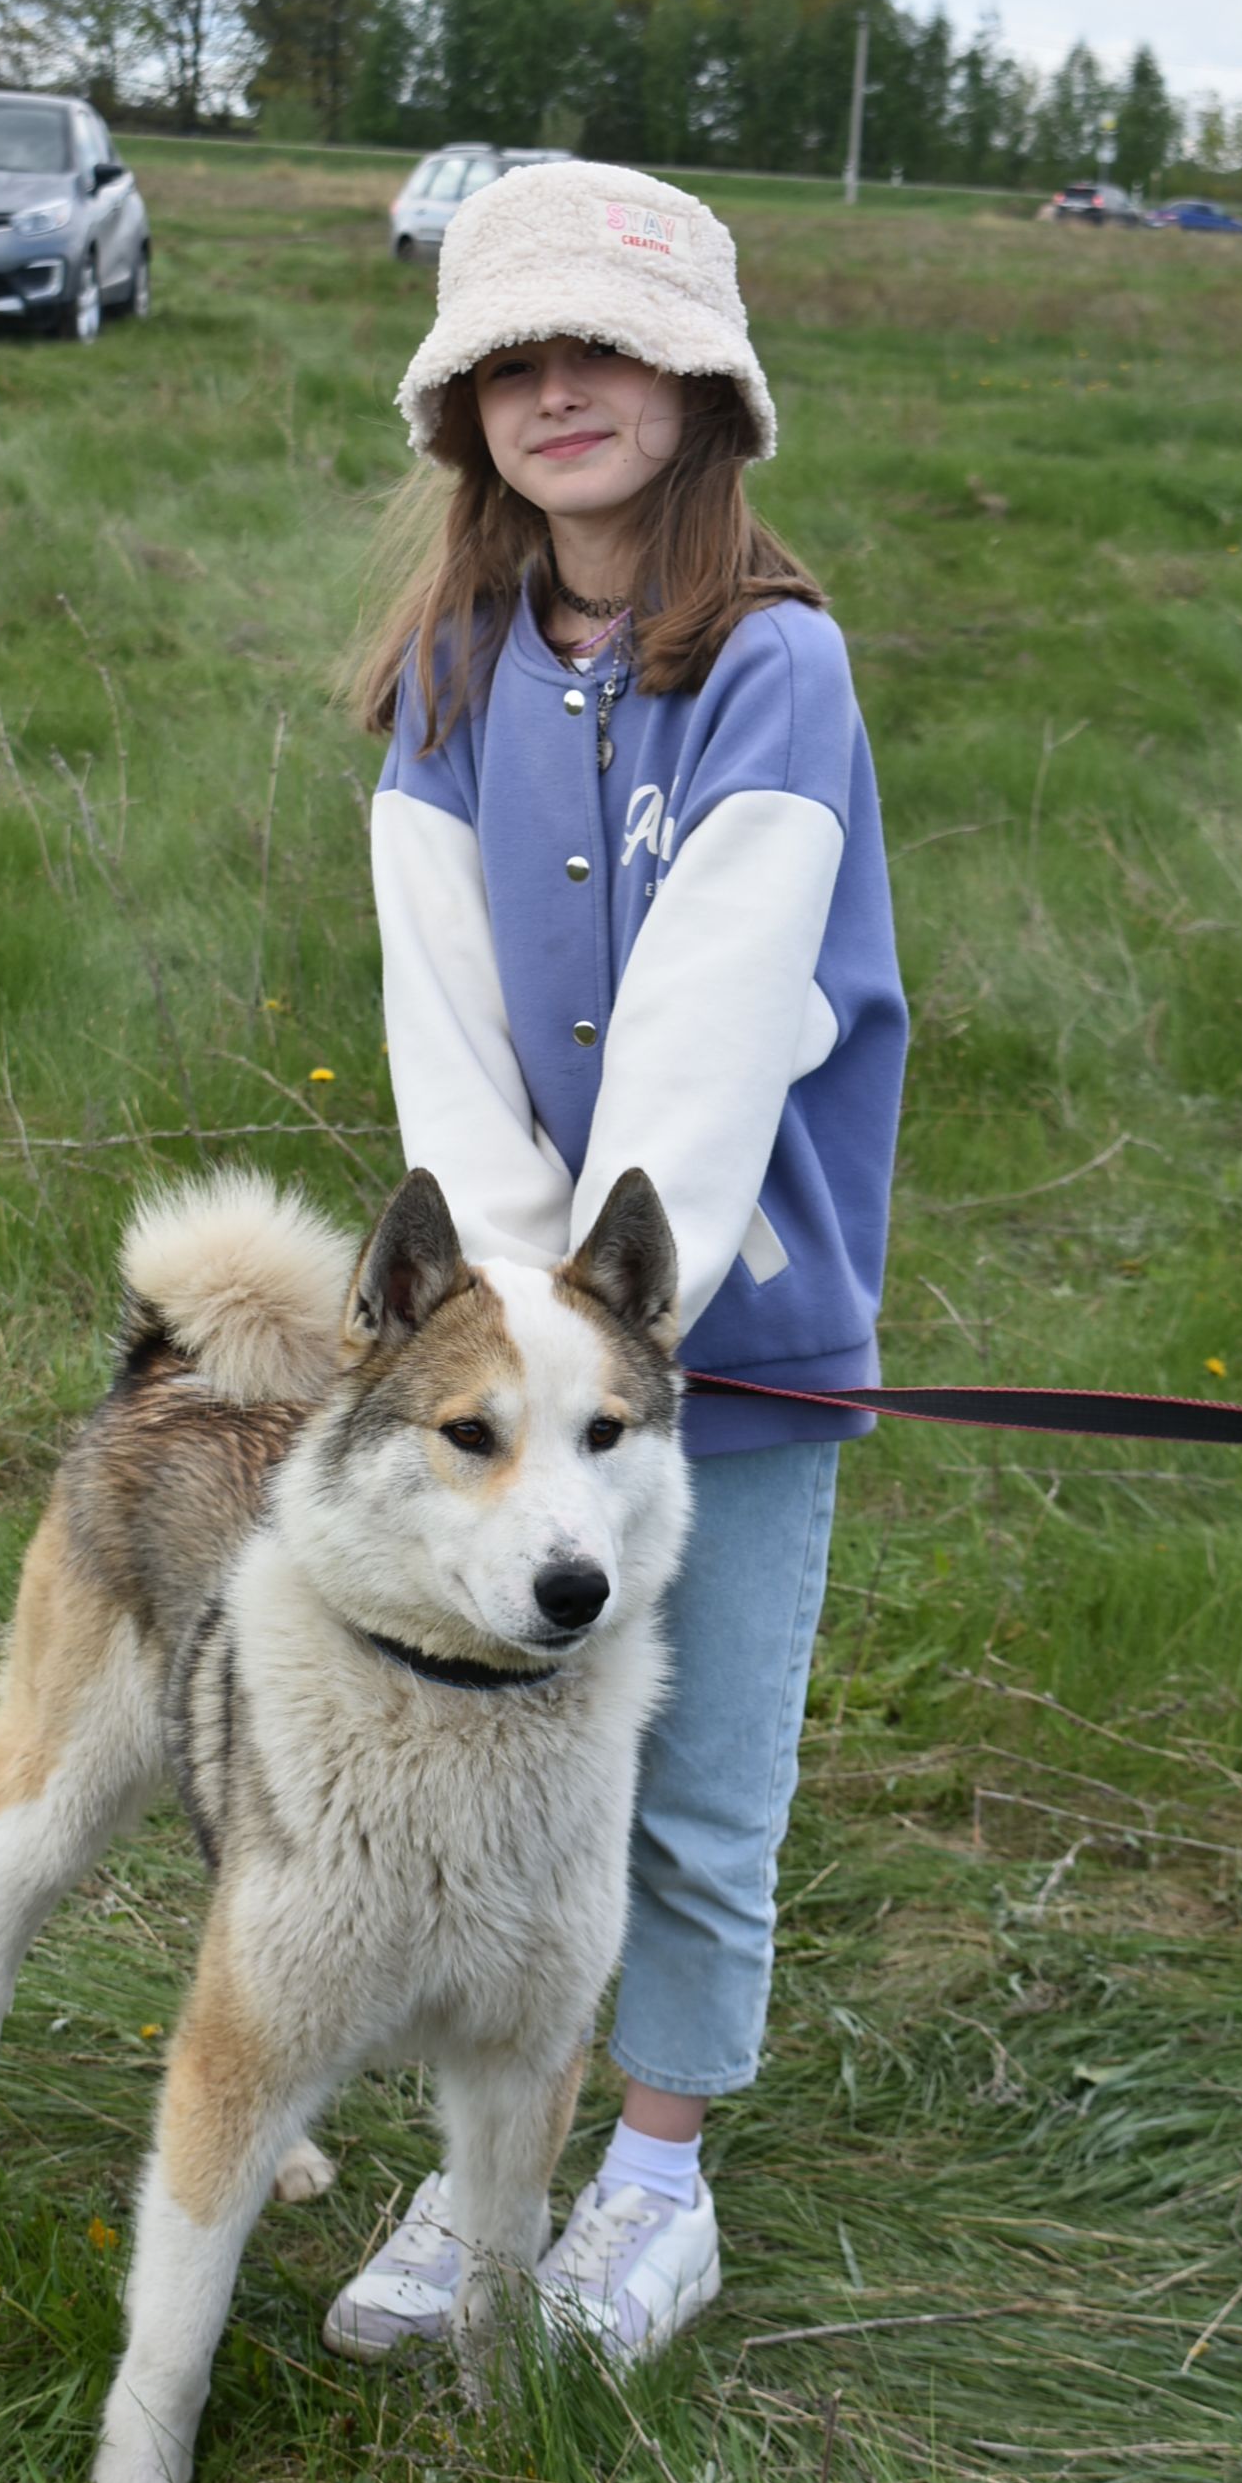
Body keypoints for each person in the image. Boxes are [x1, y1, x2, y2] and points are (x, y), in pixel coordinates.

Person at [323, 161, 908, 2364]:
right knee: (521, 1761)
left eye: (605, 344)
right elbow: (444, 1030)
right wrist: (504, 1326)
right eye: (509, 357)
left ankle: (656, 2172)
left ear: (702, 380)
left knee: (697, 1763)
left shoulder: (777, 672)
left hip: (720, 1351)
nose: (557, 387)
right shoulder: (448, 677)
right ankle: (495, 2150)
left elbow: (704, 1047)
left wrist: (609, 1338)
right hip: (518, 1366)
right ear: (463, 404)